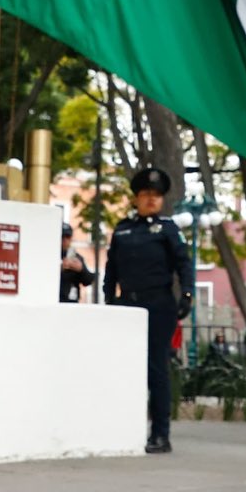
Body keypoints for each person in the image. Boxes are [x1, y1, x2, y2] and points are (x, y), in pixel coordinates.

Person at [102, 167, 193, 453]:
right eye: (146, 195)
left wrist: (187, 295)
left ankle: (160, 434)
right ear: (136, 198)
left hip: (158, 305)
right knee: (125, 368)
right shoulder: (123, 229)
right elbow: (111, 269)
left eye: (156, 196)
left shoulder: (167, 230)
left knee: (157, 369)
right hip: (128, 303)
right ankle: (123, 428)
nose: (151, 200)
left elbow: (183, 264)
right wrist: (109, 299)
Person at [58, 223, 96, 302]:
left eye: (67, 237)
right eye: (62, 237)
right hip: (56, 299)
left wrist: (81, 269)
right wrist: (61, 268)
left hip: (71, 301)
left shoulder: (77, 257)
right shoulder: (51, 256)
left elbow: (88, 281)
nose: (64, 240)